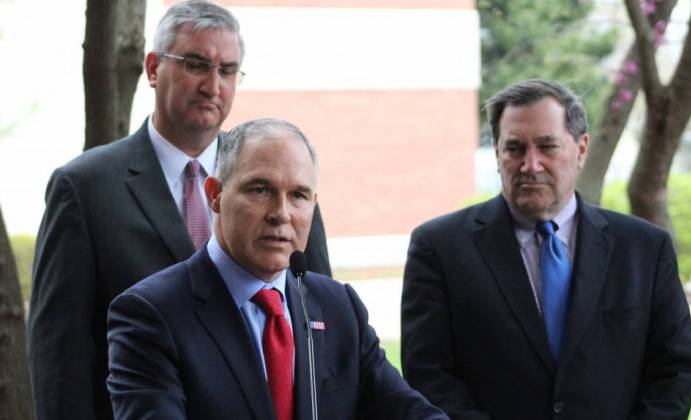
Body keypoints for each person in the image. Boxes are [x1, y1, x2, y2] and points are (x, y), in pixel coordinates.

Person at [27, 2, 331, 419]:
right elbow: (60, 355)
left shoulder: (278, 179)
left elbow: (319, 322)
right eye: (196, 64)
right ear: (152, 69)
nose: (213, 85)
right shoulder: (84, 188)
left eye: (227, 71)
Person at [105, 118, 447, 420]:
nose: (280, 213)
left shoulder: (338, 306)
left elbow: (405, 409)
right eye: (260, 190)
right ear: (215, 194)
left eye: (298, 195)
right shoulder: (151, 314)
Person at [400, 79, 691, 419]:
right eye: (514, 148)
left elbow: (675, 368)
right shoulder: (440, 248)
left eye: (547, 146)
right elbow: (428, 374)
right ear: (498, 154)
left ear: (581, 150)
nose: (531, 165)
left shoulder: (644, 249)